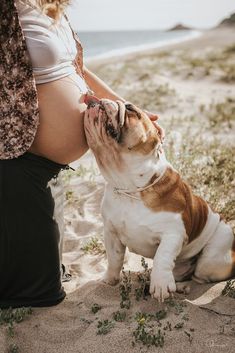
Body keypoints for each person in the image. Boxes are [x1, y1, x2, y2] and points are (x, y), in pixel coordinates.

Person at [0, 0, 163, 308]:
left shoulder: (49, 5)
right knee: (39, 295)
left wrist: (130, 106)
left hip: (48, 170)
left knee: (45, 280)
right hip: (17, 162)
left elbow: (77, 69)